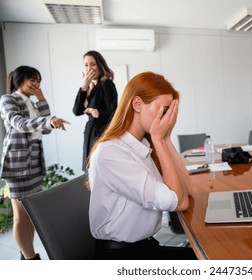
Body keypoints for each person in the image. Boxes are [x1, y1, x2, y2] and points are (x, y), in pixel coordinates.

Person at [87, 71, 197, 260]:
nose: (166, 119)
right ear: (137, 104)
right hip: (122, 256)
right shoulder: (112, 153)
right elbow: (180, 202)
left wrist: (166, 137)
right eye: (163, 111)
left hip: (144, 247)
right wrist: (159, 139)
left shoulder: (142, 146)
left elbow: (187, 188)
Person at [0, 66, 70, 260]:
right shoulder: (8, 100)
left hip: (34, 163)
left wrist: (42, 100)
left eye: (38, 81)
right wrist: (49, 120)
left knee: (30, 216)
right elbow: (19, 123)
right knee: (20, 216)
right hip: (17, 164)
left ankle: (26, 254)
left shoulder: (32, 103)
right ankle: (31, 259)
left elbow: (46, 129)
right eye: (33, 80)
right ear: (20, 79)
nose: (36, 84)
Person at [73, 50, 118, 171]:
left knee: (98, 170)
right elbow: (77, 111)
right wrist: (84, 86)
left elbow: (115, 113)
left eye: (93, 64)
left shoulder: (107, 84)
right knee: (90, 171)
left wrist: (98, 113)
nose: (89, 68)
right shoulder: (91, 87)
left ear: (100, 65)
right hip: (90, 133)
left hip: (101, 134)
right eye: (86, 65)